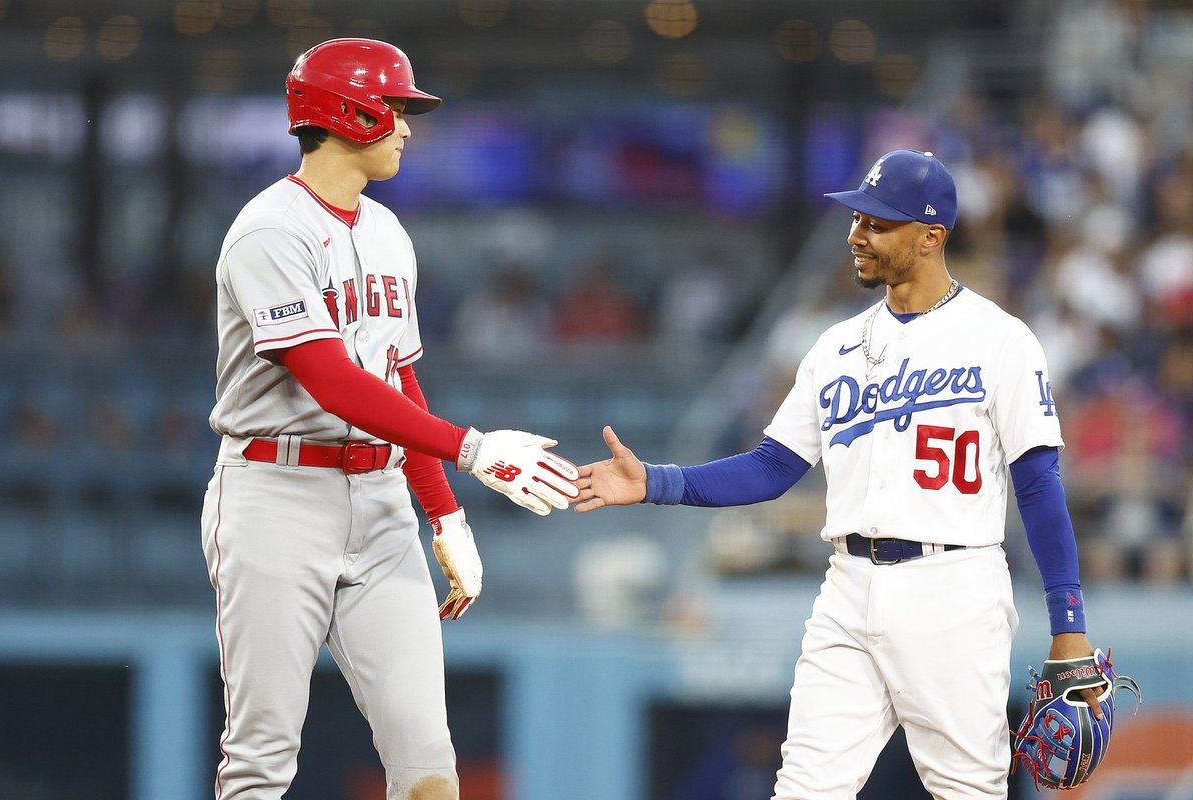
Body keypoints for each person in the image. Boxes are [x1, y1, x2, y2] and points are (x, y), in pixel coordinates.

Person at [575, 150, 1107, 799]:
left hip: (953, 588)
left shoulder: (1000, 339)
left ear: (930, 236)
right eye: (857, 219)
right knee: (804, 788)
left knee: (969, 791)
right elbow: (773, 466)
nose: (857, 235)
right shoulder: (835, 347)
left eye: (878, 224)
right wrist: (656, 482)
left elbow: (1039, 484)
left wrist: (1069, 623)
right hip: (848, 585)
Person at [200, 38, 578, 800]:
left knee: (429, 763)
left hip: (380, 505)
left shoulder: (386, 232)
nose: (406, 127)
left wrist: (445, 514)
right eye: (396, 109)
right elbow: (331, 381)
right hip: (277, 493)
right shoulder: (269, 229)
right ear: (349, 113)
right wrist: (472, 449)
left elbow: (397, 378)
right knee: (262, 762)